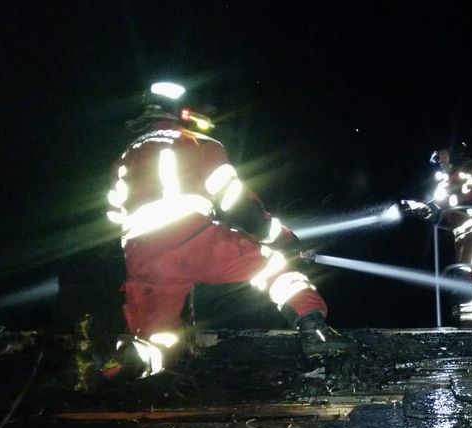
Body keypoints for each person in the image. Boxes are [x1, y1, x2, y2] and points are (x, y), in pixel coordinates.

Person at [101, 81, 348, 381]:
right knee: (276, 268)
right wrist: (280, 237)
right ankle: (315, 335)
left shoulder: (124, 159)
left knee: (154, 341)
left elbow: (114, 217)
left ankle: (118, 367)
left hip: (145, 255)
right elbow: (236, 201)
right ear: (182, 113)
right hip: (196, 236)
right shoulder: (199, 144)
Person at [404, 143, 472, 328]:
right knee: (471, 278)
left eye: (443, 155)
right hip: (463, 238)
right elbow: (437, 210)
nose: (440, 160)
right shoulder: (445, 183)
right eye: (438, 157)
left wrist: (440, 204)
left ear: (455, 154)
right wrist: (419, 209)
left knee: (466, 275)